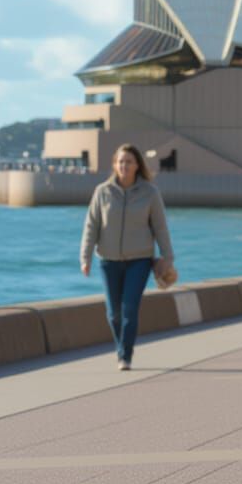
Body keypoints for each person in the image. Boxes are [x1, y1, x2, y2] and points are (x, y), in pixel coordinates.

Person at [79, 144, 174, 371]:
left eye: (129, 162)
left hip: (139, 260)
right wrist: (86, 257)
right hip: (108, 260)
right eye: (121, 161)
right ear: (114, 164)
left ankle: (125, 355)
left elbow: (160, 227)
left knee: (130, 307)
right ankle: (121, 347)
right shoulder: (102, 192)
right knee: (114, 313)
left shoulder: (150, 193)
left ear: (137, 165)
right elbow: (91, 225)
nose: (124, 166)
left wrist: (167, 256)